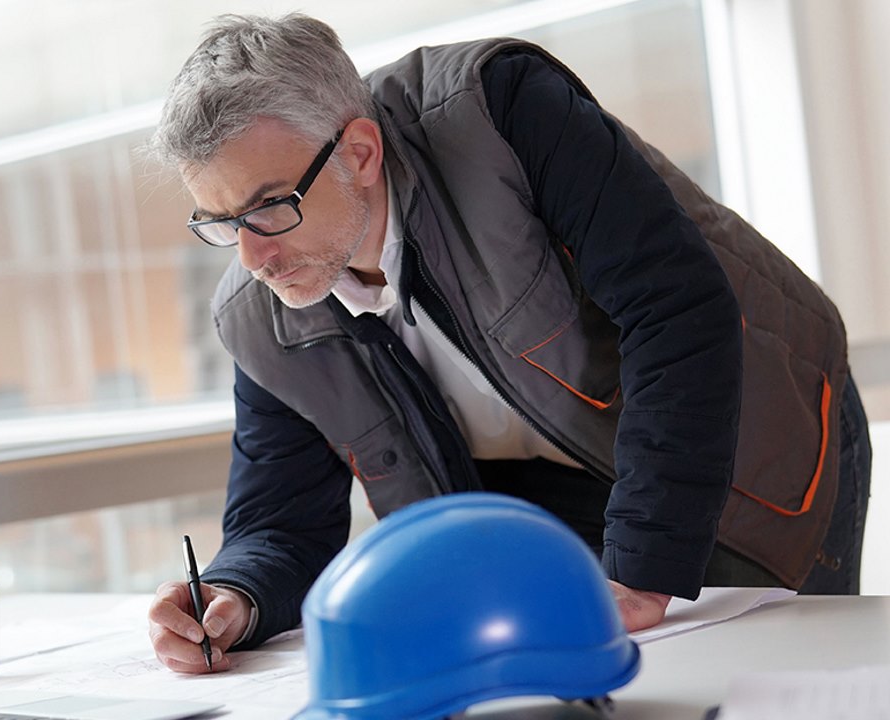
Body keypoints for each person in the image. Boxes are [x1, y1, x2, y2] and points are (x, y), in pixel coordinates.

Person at [147, 13, 872, 674]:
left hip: (750, 436)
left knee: (785, 684)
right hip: (554, 514)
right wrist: (234, 594)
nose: (252, 258)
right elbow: (283, 517)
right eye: (219, 222)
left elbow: (675, 310)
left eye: (269, 207)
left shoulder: (497, 113)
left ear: (360, 153)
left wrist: (645, 564)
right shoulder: (262, 313)